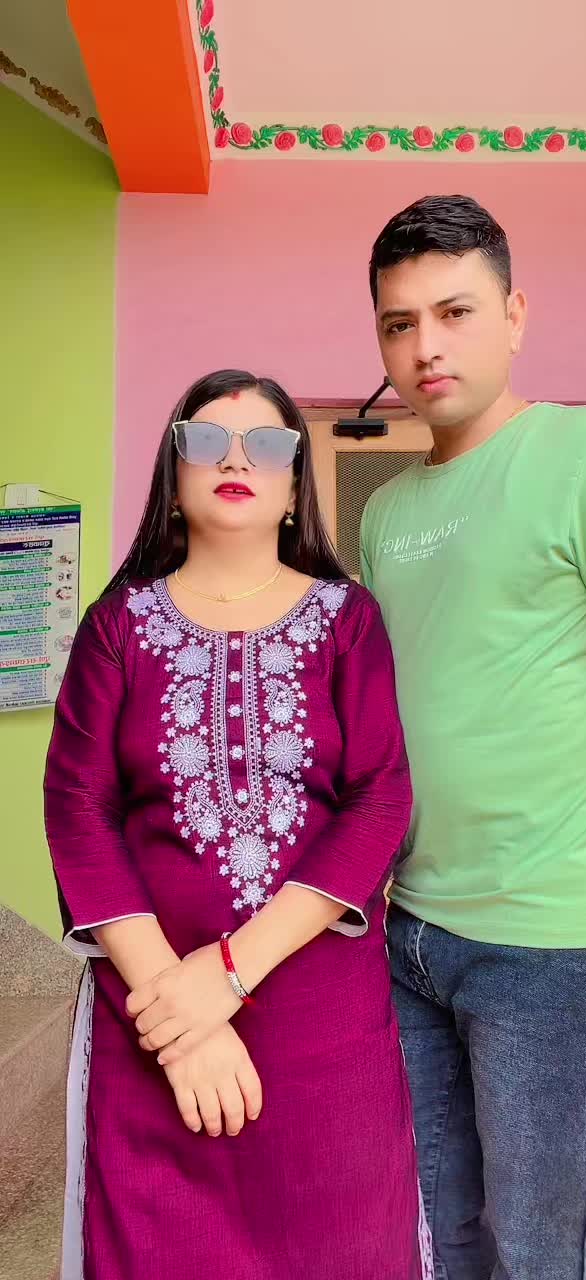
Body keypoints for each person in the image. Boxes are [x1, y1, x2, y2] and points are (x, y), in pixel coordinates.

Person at [359, 195, 586, 1280]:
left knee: (544, 1250)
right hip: (412, 932)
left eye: (456, 311)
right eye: (400, 322)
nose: (427, 346)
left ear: (515, 315)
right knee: (441, 1233)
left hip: (557, 947)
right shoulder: (384, 511)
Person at [44, 369, 433, 1280]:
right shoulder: (116, 627)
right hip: (150, 1015)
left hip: (322, 1026)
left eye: (265, 444)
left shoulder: (347, 621)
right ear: (173, 473)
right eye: (207, 442)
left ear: (295, 483)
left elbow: (379, 798)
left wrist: (226, 975)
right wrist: (179, 1017)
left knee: (343, 1248)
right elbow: (78, 808)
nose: (234, 461)